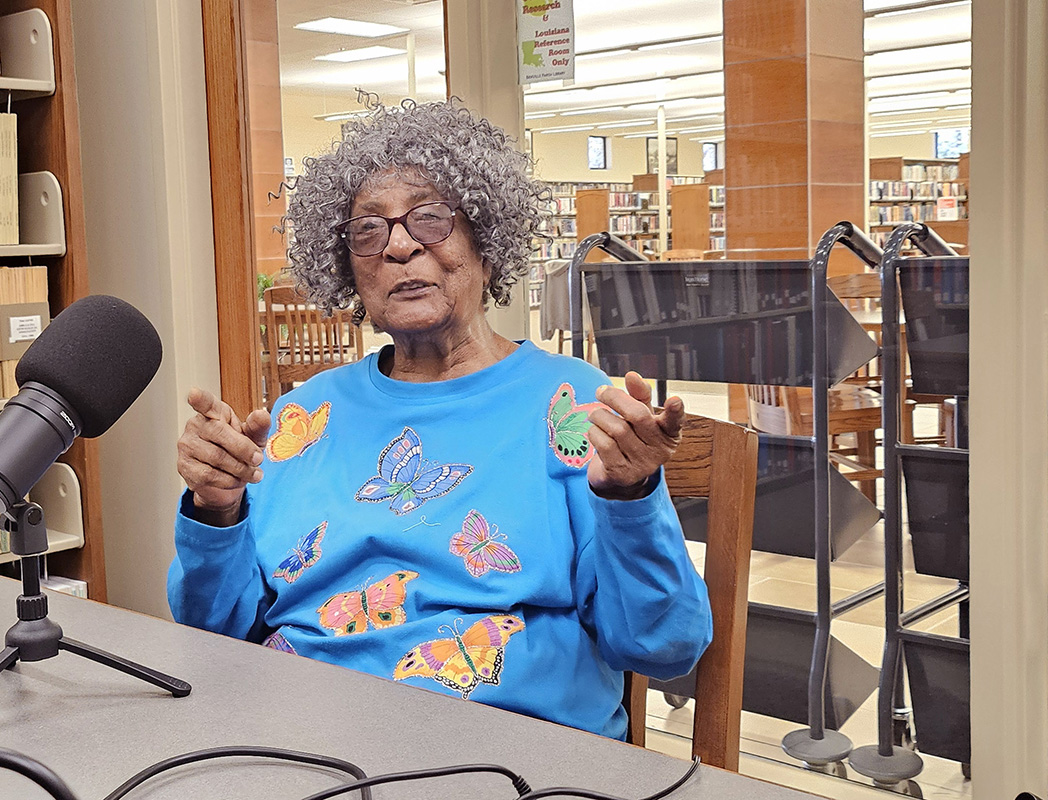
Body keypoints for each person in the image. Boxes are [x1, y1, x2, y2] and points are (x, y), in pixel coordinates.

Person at [168, 98, 711, 740]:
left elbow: (662, 646)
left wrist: (630, 496)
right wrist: (217, 510)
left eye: (429, 219)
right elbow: (215, 637)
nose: (398, 245)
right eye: (367, 231)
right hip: (305, 739)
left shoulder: (578, 413)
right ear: (347, 268)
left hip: (510, 751)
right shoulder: (302, 417)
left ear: (488, 239)